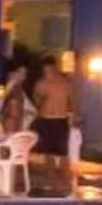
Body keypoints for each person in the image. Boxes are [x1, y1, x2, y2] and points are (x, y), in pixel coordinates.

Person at [33, 60, 78, 188]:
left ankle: (67, 181)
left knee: (62, 152)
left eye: (48, 70)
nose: (47, 73)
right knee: (48, 154)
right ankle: (51, 181)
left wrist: (74, 116)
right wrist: (41, 102)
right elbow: (36, 99)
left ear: (54, 68)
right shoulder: (41, 84)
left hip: (60, 119)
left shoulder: (65, 83)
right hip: (45, 119)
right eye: (44, 71)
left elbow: (73, 101)